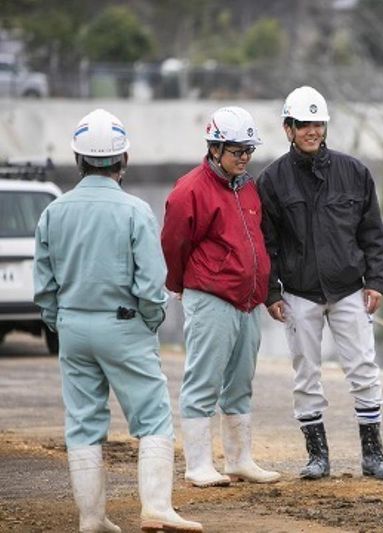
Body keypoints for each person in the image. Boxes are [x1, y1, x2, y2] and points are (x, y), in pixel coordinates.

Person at [33, 109, 201, 532]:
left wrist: (60, 322)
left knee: (83, 423)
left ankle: (92, 519)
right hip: (124, 324)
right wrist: (149, 321)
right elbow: (151, 282)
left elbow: (44, 285)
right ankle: (156, 507)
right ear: (123, 159)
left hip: (73, 326)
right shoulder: (134, 210)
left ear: (78, 159)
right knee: (153, 416)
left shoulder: (54, 212)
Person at [257, 86, 383, 481]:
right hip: (298, 292)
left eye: (318, 123)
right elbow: (266, 243)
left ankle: (373, 455)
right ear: (288, 128)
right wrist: (271, 292)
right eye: (303, 124)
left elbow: (373, 233)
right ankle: (317, 457)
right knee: (306, 374)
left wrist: (376, 281)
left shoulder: (354, 172)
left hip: (350, 288)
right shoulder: (271, 181)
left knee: (363, 368)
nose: (312, 131)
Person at [162, 106, 280, 487]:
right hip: (211, 296)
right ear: (214, 148)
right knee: (203, 379)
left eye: (249, 150)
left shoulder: (248, 186)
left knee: (241, 381)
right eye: (237, 150)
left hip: (248, 300)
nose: (244, 157)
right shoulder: (190, 190)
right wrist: (180, 284)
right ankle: (197, 464)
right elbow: (174, 243)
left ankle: (239, 459)